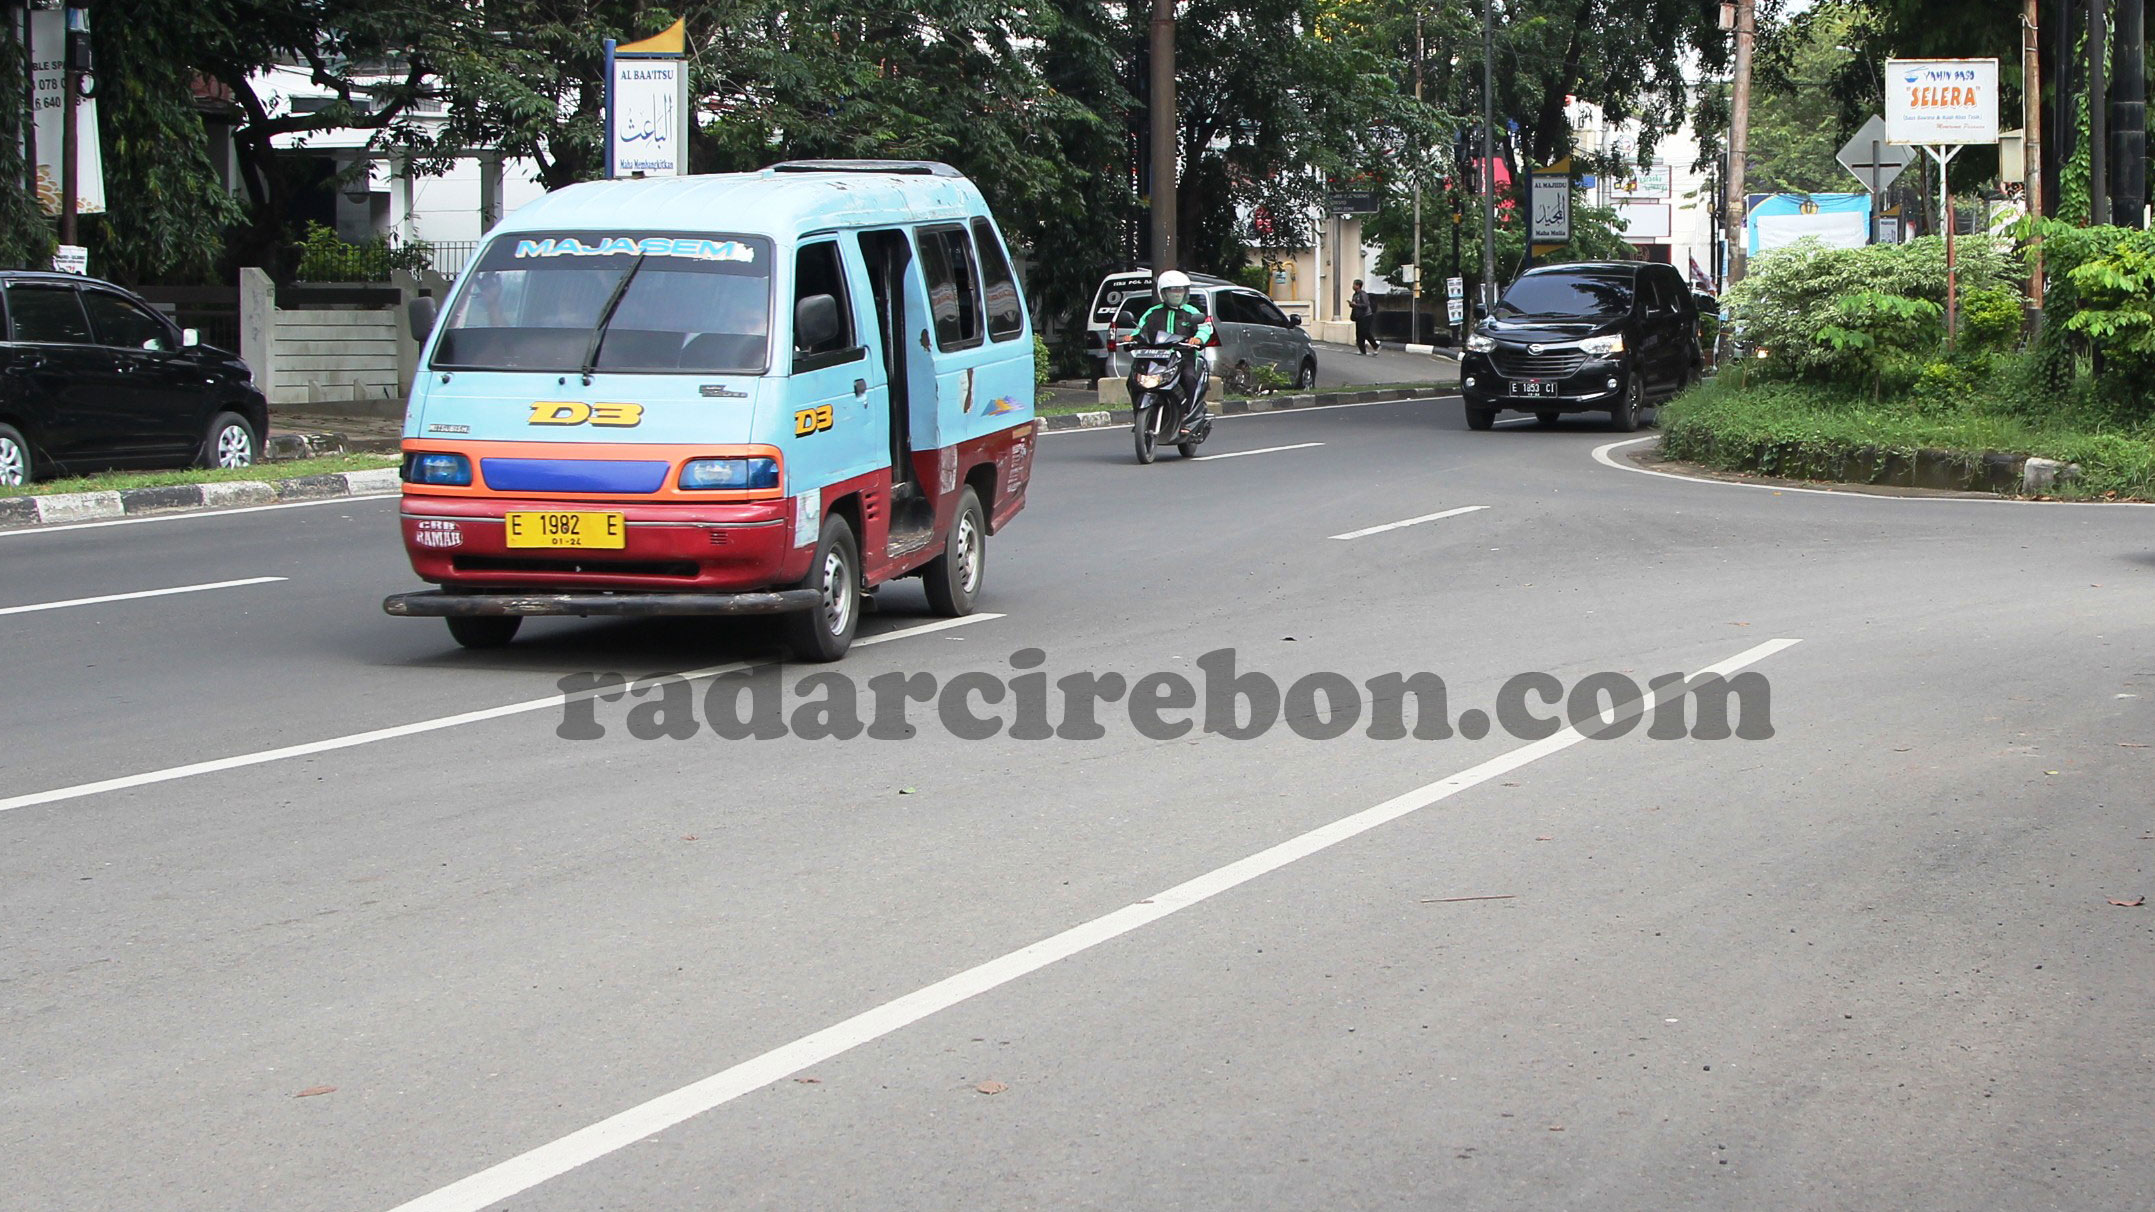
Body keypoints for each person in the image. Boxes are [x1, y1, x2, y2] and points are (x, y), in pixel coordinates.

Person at [1127, 270, 1214, 427]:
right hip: (1155, 356)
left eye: (1180, 290)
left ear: (1186, 292)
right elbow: (1139, 329)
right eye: (1172, 290)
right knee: (1132, 380)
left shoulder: (1192, 312)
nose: (1177, 293)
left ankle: (1188, 416)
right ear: (1163, 293)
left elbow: (1205, 328)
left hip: (1183, 356)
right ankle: (1138, 412)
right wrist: (1131, 338)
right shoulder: (1152, 312)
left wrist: (1198, 338)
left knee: (1188, 378)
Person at [1350, 279, 1377, 355]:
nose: (1353, 286)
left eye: (1354, 284)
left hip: (1366, 316)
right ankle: (1362, 350)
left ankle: (1375, 346)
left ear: (1358, 286)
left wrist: (1356, 305)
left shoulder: (1363, 294)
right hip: (1358, 316)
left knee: (1365, 332)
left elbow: (1365, 305)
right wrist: (1352, 304)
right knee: (1358, 333)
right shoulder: (1355, 295)